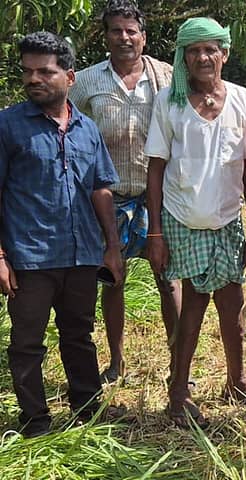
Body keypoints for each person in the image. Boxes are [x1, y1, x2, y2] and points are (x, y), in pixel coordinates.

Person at [0, 31, 124, 437]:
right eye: (28, 72)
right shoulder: (8, 126)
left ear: (69, 77)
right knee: (26, 344)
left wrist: (111, 247)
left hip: (81, 254)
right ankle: (36, 424)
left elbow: (100, 188)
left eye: (45, 71)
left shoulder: (87, 128)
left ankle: (87, 412)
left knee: (79, 336)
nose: (33, 79)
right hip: (29, 257)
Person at [144, 17, 246, 429]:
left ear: (224, 54)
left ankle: (237, 379)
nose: (202, 57)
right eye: (193, 50)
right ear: (183, 57)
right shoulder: (168, 102)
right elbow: (155, 170)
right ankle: (178, 393)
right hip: (182, 219)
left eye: (210, 48)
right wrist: (154, 232)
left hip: (228, 220)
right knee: (192, 305)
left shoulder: (245, 101)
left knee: (232, 306)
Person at [69, 0, 181, 384]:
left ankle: (177, 362)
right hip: (108, 197)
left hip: (159, 196)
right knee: (112, 279)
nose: (124, 37)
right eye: (116, 30)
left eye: (131, 31)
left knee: (167, 278)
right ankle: (116, 362)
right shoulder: (86, 81)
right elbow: (68, 122)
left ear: (144, 37)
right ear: (106, 37)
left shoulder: (167, 76)